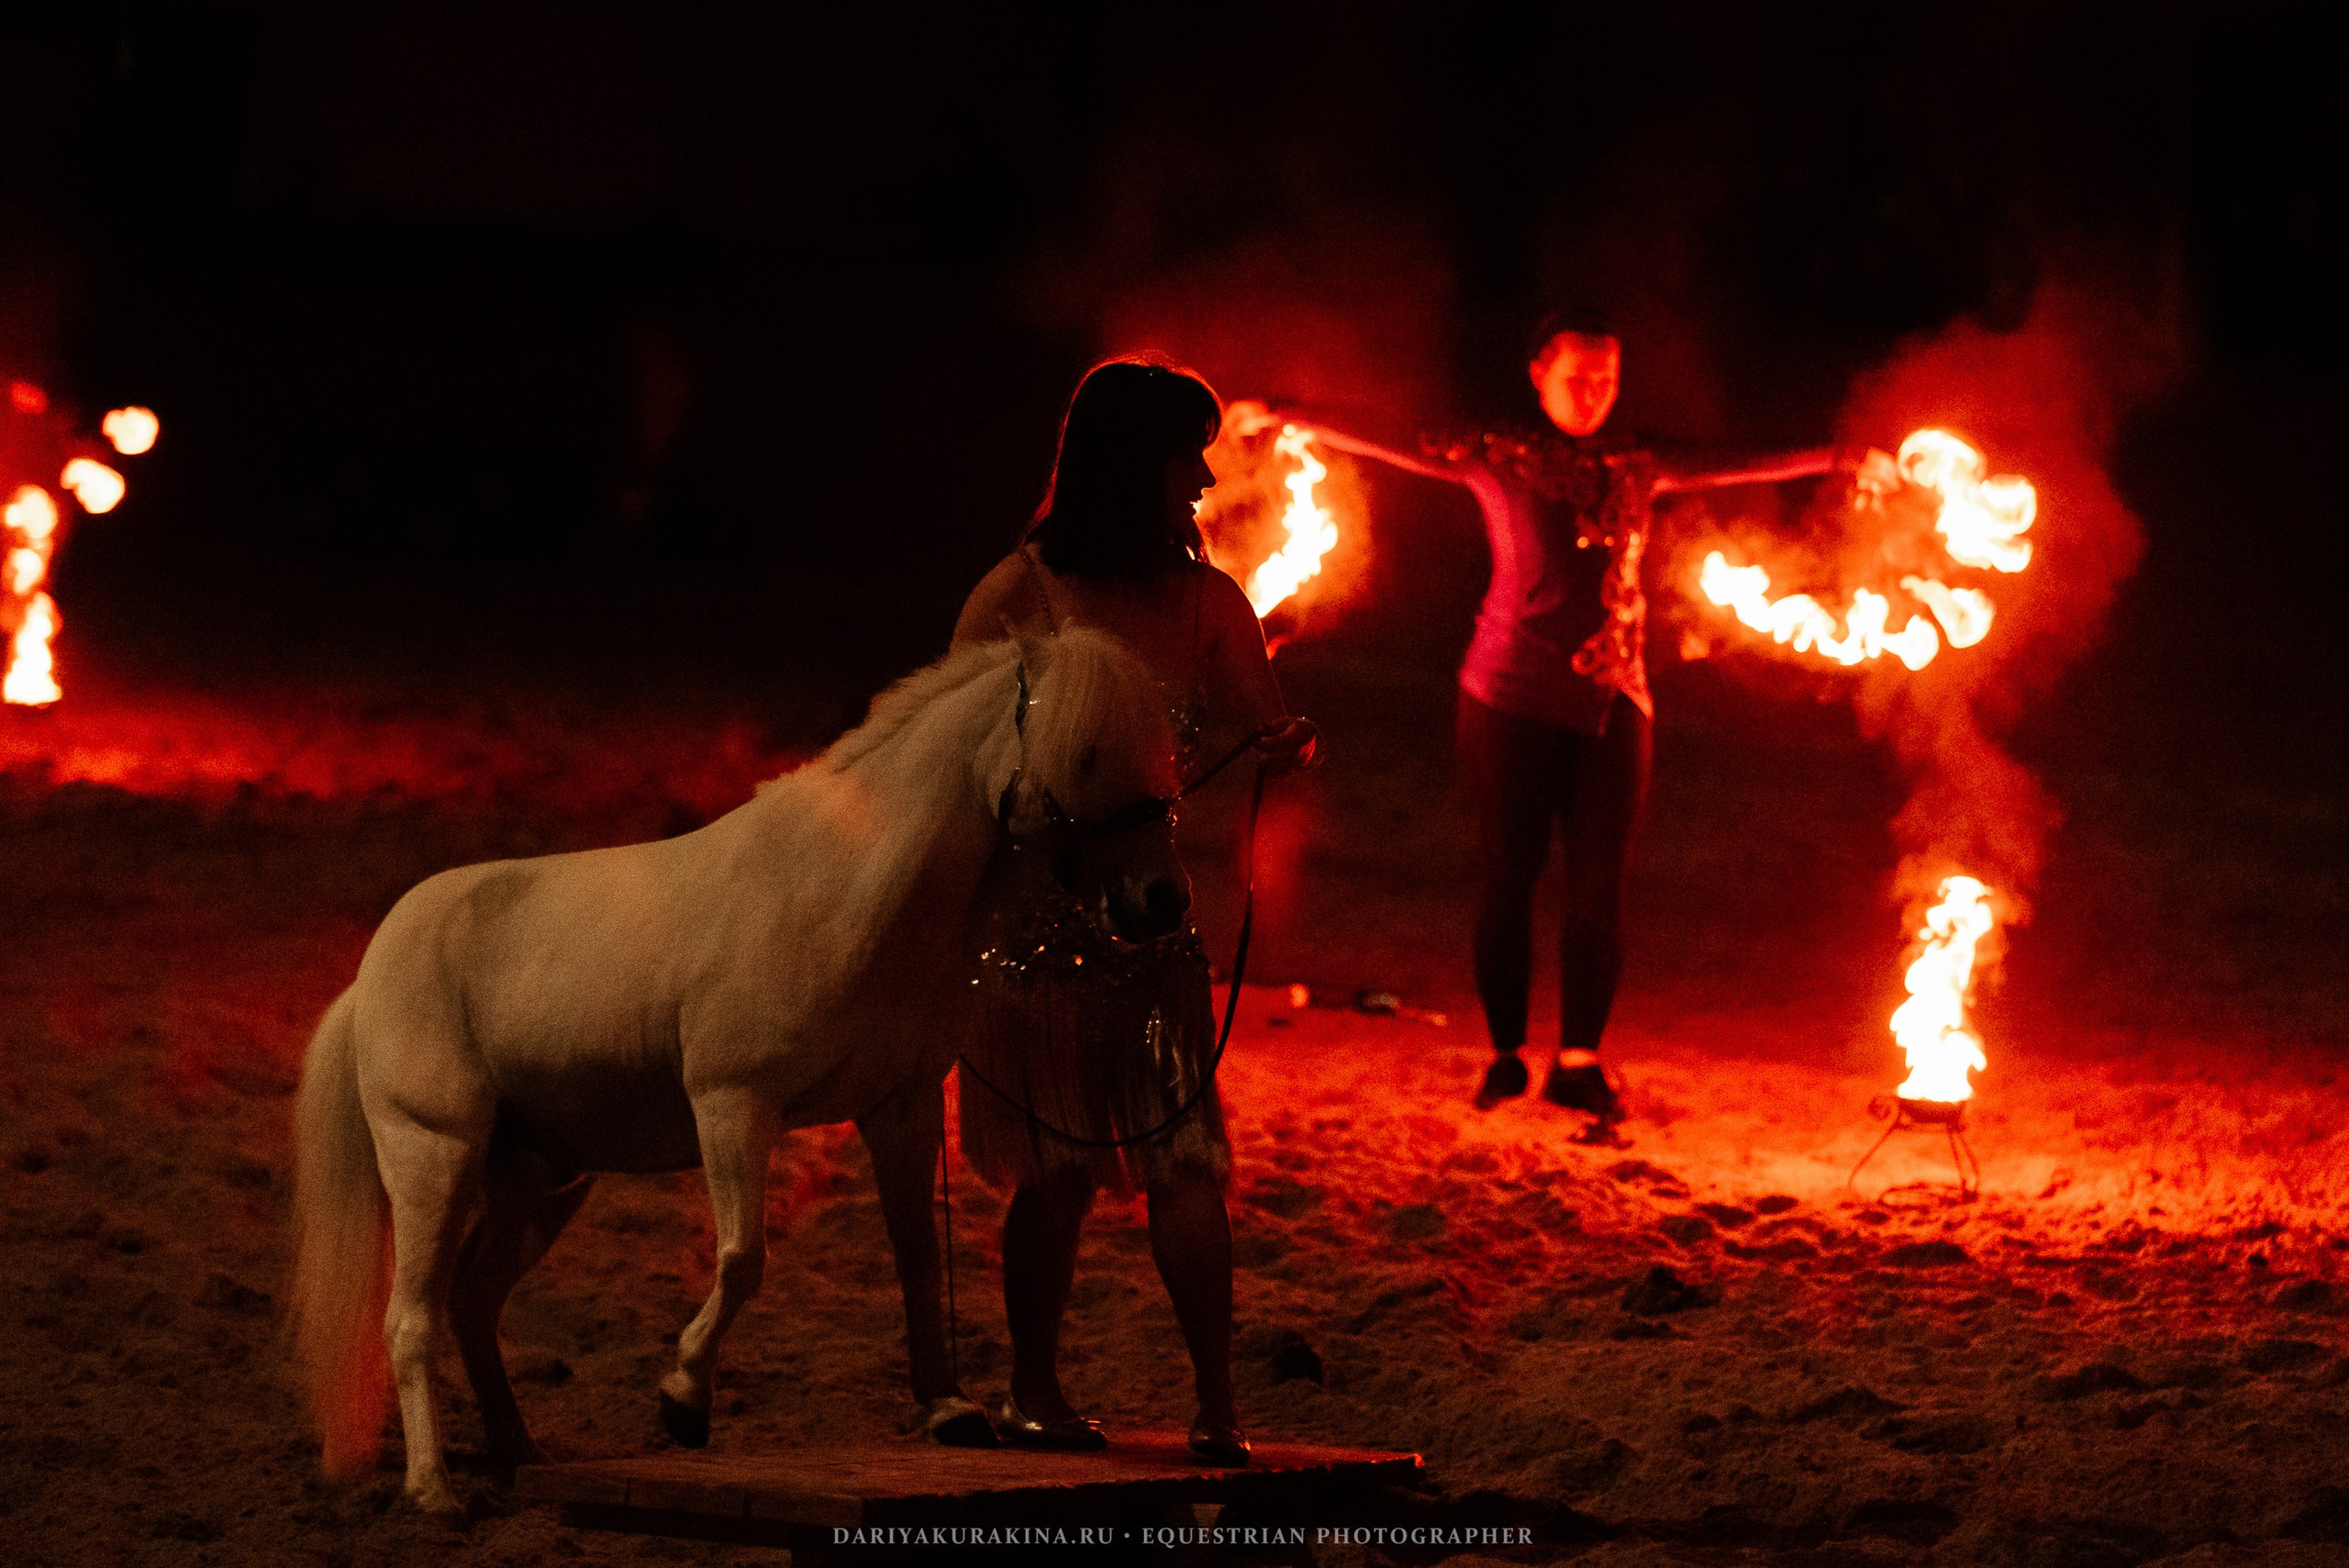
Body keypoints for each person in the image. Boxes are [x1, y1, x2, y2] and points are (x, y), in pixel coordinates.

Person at [1279, 310, 1861, 1129]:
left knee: (1600, 889)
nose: (1592, 393)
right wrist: (1290, 411)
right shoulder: (1496, 455)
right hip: (1506, 698)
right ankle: (1507, 1054)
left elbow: (1741, 459)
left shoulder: (1639, 462)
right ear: (1538, 374)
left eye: (1607, 379)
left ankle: (1579, 1063)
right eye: (1576, 377)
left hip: (1615, 701)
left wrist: (1844, 454)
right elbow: (1396, 437)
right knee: (1508, 878)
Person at [950, 359, 1317, 1465]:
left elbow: (1261, 722)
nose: (1205, 478)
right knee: (1072, 1171)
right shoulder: (1022, 593)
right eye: (1183, 454)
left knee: (1181, 1161)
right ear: (1128, 464)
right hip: (1040, 932)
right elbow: (951, 742)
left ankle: (1213, 1406)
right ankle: (1043, 1392)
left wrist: (1282, 743)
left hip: (1153, 930)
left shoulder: (1207, 599)